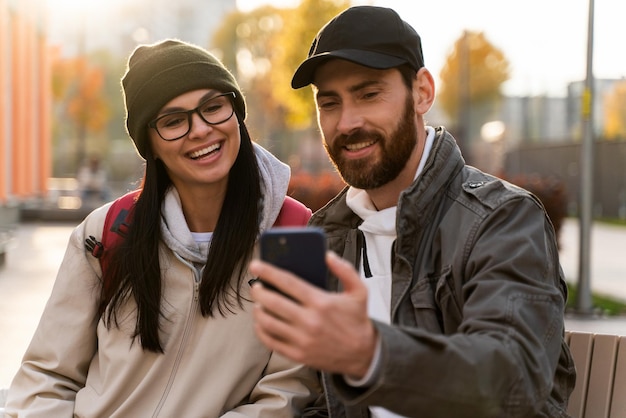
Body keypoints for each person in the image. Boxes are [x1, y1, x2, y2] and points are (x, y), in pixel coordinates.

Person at [249, 6, 576, 417]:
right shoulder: (331, 233)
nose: (347, 122)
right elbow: (323, 401)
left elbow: (512, 377)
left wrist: (369, 354)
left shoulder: (502, 218)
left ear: (422, 92)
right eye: (329, 103)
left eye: (369, 94)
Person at [4, 39, 319, 417]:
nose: (200, 130)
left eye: (213, 107)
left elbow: (287, 391)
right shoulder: (105, 233)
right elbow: (44, 378)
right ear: (149, 144)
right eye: (173, 121)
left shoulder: (294, 233)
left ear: (236, 113)